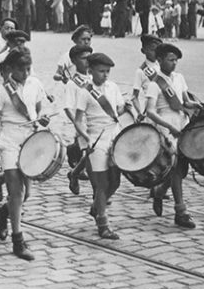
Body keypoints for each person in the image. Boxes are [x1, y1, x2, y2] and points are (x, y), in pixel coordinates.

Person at [0, 47, 49, 261]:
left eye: (28, 68)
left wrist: (42, 120)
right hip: (10, 142)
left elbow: (37, 110)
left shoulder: (35, 84)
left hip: (29, 140)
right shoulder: (1, 91)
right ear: (11, 69)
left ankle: (2, 213)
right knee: (17, 192)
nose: (26, 73)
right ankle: (18, 240)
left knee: (26, 194)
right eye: (21, 69)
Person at [73, 52, 130, 240]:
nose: (105, 75)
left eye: (107, 71)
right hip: (96, 140)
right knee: (101, 184)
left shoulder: (112, 87)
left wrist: (126, 107)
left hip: (114, 137)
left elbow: (117, 109)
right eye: (101, 71)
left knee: (115, 182)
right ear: (90, 71)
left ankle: (97, 207)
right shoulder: (84, 91)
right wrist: (85, 138)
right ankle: (103, 224)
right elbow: (78, 120)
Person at [145, 43, 202, 229]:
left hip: (182, 124)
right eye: (170, 60)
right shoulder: (154, 84)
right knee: (176, 168)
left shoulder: (179, 78)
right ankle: (180, 211)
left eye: (176, 60)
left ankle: (160, 191)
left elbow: (185, 100)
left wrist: (195, 105)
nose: (174, 63)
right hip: (166, 127)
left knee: (182, 169)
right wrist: (168, 126)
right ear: (160, 60)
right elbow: (150, 112)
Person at [63, 44, 92, 195]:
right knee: (92, 155)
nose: (87, 61)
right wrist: (77, 123)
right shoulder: (72, 83)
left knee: (90, 155)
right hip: (82, 124)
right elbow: (68, 108)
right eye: (83, 58)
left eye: (89, 58)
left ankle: (74, 173)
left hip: (96, 121)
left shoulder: (94, 78)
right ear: (74, 61)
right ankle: (98, 192)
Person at [131, 34, 162, 118]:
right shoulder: (141, 71)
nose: (155, 53)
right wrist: (139, 112)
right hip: (152, 109)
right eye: (152, 50)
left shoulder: (162, 66)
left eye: (158, 50)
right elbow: (134, 97)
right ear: (143, 50)